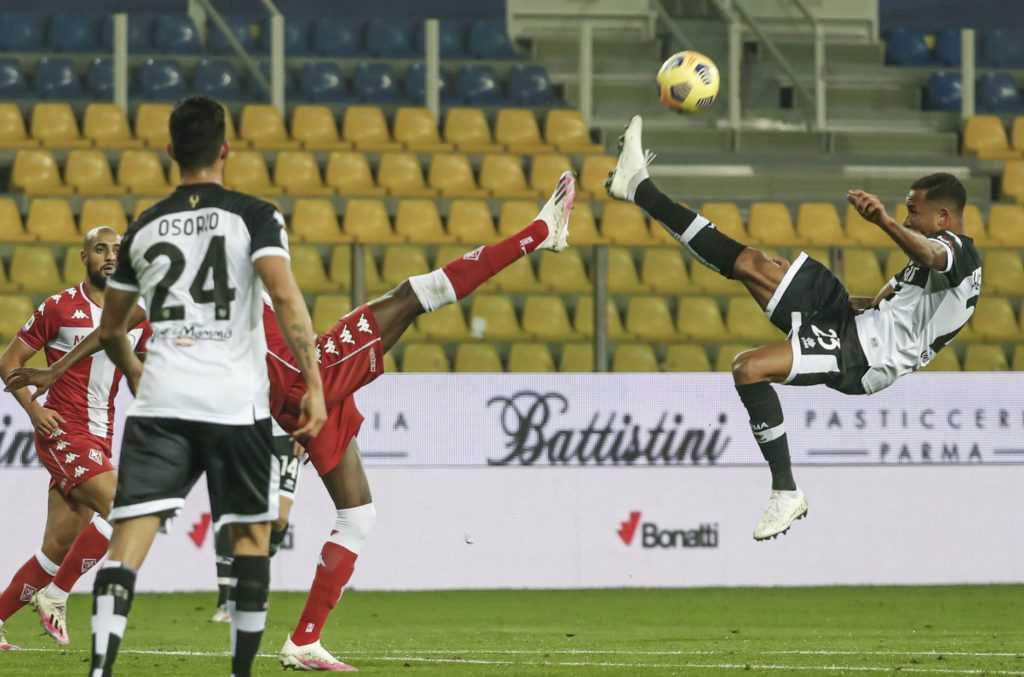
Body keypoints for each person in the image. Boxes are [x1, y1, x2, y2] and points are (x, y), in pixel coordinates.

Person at [11, 169, 578, 671]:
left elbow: (115, 330)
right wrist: (54, 373)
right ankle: (538, 232)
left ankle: (305, 641)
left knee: (358, 515)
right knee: (415, 293)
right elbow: (118, 330)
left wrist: (56, 367)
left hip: (299, 395)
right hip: (310, 376)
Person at [605, 115, 982, 541]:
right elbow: (879, 304)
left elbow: (931, 254)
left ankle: (786, 490)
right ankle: (637, 186)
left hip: (863, 357)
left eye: (913, 211)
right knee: (751, 263)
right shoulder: (930, 263)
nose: (907, 218)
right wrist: (789, 285)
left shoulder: (960, 255)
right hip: (853, 322)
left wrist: (883, 221)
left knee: (748, 368)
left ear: (943, 216)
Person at [87, 95, 326, 677]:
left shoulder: (143, 228)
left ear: (171, 151)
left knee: (127, 542)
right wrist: (315, 384)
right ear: (225, 149)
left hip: (163, 401)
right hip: (234, 402)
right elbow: (285, 296)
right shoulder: (255, 215)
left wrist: (137, 372)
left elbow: (111, 329)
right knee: (250, 540)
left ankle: (98, 671)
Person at [0, 227, 149, 651]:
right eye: (100, 249)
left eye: (117, 250)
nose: (110, 256)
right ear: (84, 257)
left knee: (57, 548)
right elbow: (9, 361)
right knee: (126, 512)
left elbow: (144, 371)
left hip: (101, 435)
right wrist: (34, 411)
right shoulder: (59, 307)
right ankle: (57, 596)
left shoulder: (137, 314)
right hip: (64, 430)